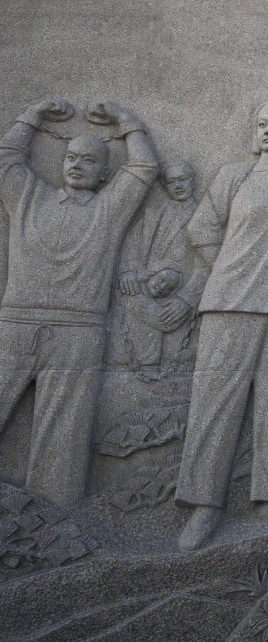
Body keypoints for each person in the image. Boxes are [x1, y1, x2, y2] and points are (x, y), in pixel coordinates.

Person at [175, 100, 268, 550]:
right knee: (215, 401)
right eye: (261, 124)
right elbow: (200, 230)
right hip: (229, 302)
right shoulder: (233, 176)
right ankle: (204, 505)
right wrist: (230, 268)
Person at [0, 98, 158, 506]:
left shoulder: (109, 210)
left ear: (105, 173)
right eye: (71, 156)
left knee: (63, 435)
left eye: (89, 160)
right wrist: (30, 116)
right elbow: (7, 159)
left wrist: (128, 122)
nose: (77, 164)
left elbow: (143, 169)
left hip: (79, 331)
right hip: (16, 324)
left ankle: (52, 519)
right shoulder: (27, 198)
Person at [117, 160, 204, 333]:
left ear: (192, 181)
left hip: (178, 298)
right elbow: (130, 244)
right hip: (141, 291)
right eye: (171, 182)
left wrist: (187, 298)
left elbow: (209, 262)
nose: (178, 185)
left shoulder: (206, 216)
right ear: (164, 186)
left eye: (182, 179)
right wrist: (127, 271)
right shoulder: (152, 214)